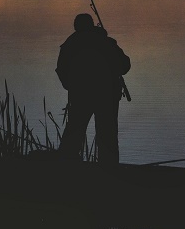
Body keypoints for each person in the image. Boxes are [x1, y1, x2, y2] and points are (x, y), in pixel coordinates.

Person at [56, 12, 131, 164]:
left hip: (80, 96)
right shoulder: (105, 42)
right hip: (107, 96)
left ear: (76, 27)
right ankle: (109, 170)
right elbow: (124, 65)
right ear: (91, 25)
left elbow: (61, 70)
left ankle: (66, 167)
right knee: (107, 136)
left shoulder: (70, 44)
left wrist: (71, 87)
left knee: (74, 133)